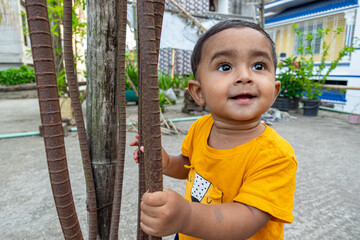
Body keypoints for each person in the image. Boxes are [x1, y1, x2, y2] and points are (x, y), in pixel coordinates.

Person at [130, 20, 297, 240]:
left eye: (258, 66)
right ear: (198, 92)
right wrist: (167, 163)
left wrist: (186, 216)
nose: (245, 76)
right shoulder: (201, 127)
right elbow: (190, 167)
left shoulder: (276, 156)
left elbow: (247, 219)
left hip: (191, 223)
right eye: (225, 67)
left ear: (275, 91)